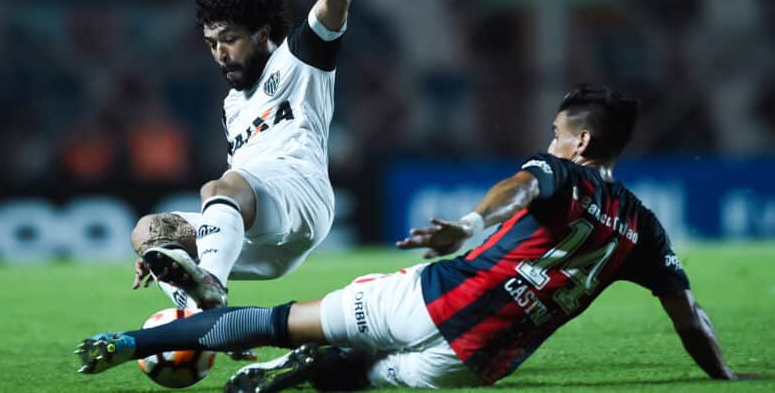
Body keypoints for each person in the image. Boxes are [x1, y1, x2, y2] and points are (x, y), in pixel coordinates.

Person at [77, 85, 750, 391]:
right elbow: (687, 316)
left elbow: (517, 189)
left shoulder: (558, 171)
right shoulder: (644, 227)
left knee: (276, 320)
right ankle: (311, 369)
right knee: (359, 375)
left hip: (429, 298)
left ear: (580, 140)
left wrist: (467, 226)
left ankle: (131, 343)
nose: (549, 140)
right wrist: (725, 376)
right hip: (474, 362)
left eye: (555, 130)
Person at [130, 0, 354, 310]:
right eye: (211, 44)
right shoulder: (232, 105)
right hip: (265, 240)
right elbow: (234, 200)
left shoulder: (300, 58)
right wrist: (166, 257)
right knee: (149, 230)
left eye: (229, 39)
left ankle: (211, 286)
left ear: (261, 32)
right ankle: (204, 318)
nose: (219, 53)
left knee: (217, 188)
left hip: (301, 194)